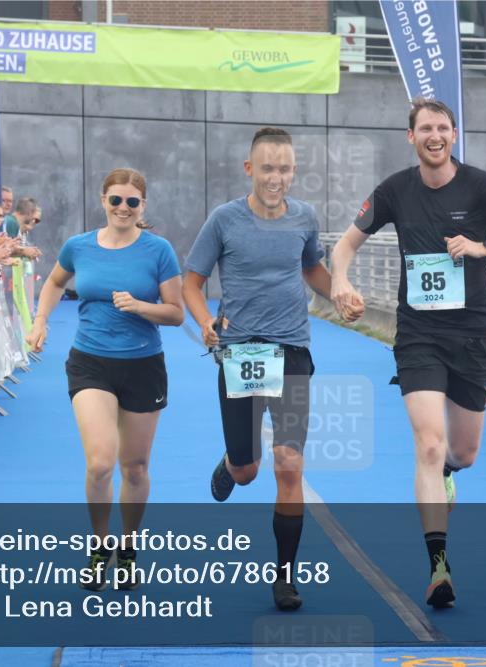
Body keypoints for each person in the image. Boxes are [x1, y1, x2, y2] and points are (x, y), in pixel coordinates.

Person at [329, 98, 486, 609]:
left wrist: (485, 248)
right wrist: (341, 281)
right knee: (428, 444)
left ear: (454, 134)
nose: (435, 136)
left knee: (461, 454)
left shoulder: (480, 186)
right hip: (419, 336)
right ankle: (439, 567)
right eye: (425, 128)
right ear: (411, 137)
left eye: (443, 128)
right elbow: (345, 245)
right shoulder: (394, 191)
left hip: (472, 335)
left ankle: (449, 475)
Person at [182, 127, 359, 612]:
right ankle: (231, 462)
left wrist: (339, 294)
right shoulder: (223, 220)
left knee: (290, 463)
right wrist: (204, 322)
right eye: (267, 168)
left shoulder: (305, 217)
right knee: (247, 471)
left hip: (292, 352)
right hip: (240, 352)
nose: (275, 177)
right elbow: (191, 284)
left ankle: (284, 576)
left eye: (284, 168)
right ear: (249, 170)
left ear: (293, 170)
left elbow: (311, 270)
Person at [26, 168, 184, 592]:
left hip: (142, 365)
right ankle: (99, 547)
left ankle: (129, 549)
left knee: (135, 467)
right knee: (100, 462)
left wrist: (139, 306)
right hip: (90, 362)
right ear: (103, 201)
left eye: (132, 202)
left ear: (143, 206)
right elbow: (54, 284)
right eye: (116, 200)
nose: (123, 209)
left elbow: (176, 313)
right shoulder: (79, 246)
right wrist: (40, 321)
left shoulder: (159, 250)